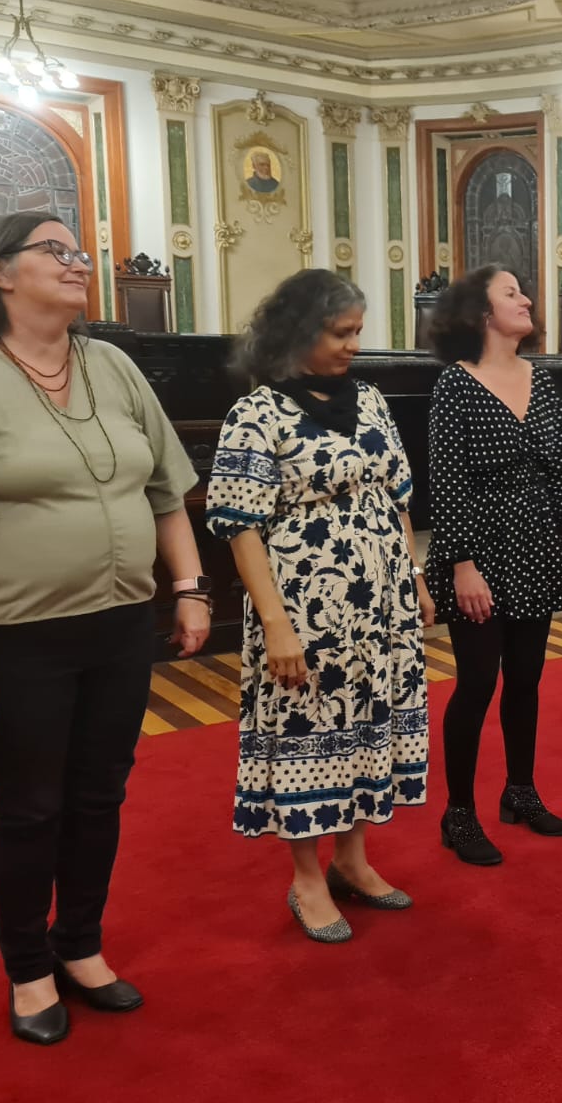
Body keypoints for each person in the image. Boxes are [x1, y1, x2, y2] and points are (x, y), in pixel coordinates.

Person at [0, 211, 210, 1044]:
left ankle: (81, 945)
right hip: (14, 634)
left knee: (99, 794)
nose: (77, 264)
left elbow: (166, 489)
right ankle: (29, 968)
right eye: (54, 252)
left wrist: (190, 587)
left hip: (118, 625)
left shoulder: (110, 362)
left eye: (80, 252)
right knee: (29, 807)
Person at [207, 269, 433, 944]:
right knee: (305, 729)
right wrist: (275, 623)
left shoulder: (369, 401)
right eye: (341, 333)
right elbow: (238, 523)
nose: (352, 346)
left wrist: (415, 579)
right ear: (298, 334)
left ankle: (353, 860)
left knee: (367, 720)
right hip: (302, 606)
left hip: (380, 603)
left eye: (357, 332)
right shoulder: (256, 412)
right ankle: (307, 876)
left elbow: (396, 494)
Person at [425, 264, 562, 864]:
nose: (526, 299)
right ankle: (459, 814)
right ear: (481, 312)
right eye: (511, 293)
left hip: (535, 543)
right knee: (476, 683)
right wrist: (461, 566)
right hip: (479, 550)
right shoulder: (456, 384)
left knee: (526, 679)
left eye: (524, 291)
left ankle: (520, 792)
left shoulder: (541, 380)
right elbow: (446, 484)